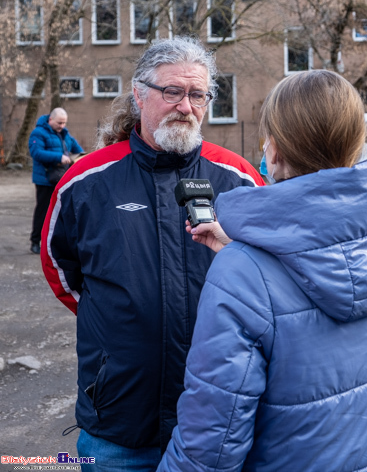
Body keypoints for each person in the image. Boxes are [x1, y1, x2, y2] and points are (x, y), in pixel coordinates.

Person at [40, 36, 265, 472]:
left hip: (215, 415)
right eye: (172, 92)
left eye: (197, 94)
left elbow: (266, 280)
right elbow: (58, 265)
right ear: (139, 95)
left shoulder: (238, 179)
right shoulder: (87, 179)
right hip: (119, 418)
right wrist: (113, 321)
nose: (186, 106)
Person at [157, 69, 367, 472]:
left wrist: (245, 270)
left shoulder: (241, 275)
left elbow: (210, 447)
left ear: (274, 151)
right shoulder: (245, 266)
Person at [29, 107, 83, 254]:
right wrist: (58, 157)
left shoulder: (64, 134)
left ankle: (57, 242)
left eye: (64, 123)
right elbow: (36, 153)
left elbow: (78, 150)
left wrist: (83, 158)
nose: (62, 126)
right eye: (59, 123)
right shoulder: (38, 133)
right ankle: (35, 241)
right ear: (51, 120)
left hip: (61, 179)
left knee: (62, 211)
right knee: (43, 211)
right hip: (45, 180)